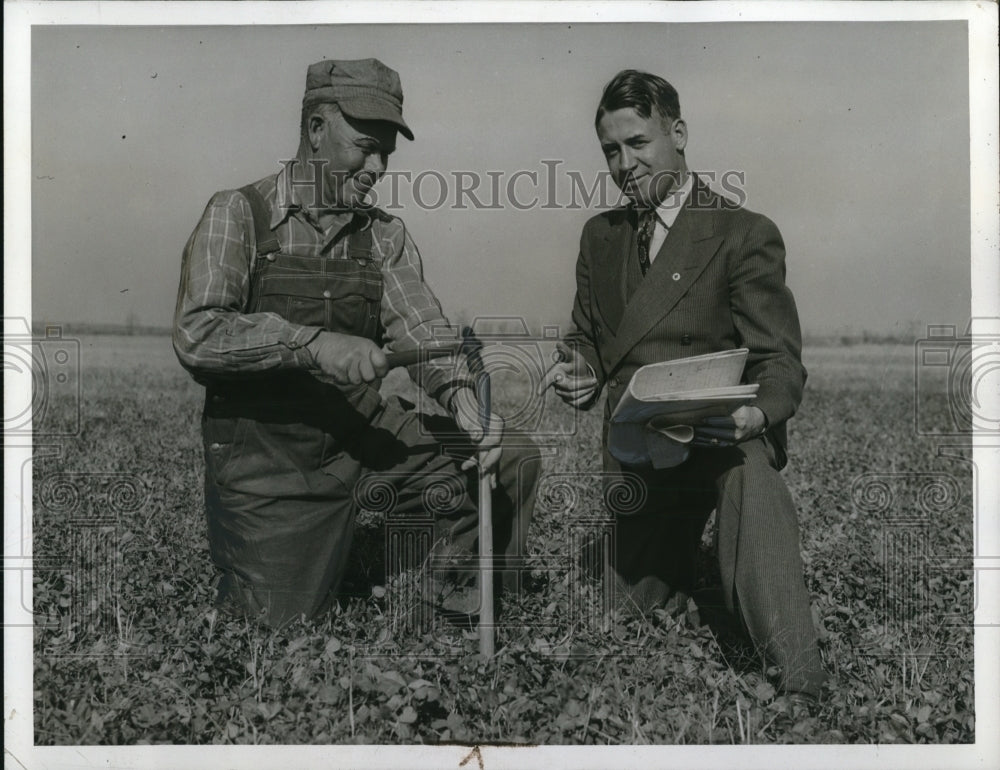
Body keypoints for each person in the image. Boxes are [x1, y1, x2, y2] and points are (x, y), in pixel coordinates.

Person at [173, 58, 539, 628]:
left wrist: (461, 398)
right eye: (365, 147)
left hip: (360, 432)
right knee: (274, 631)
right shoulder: (237, 214)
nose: (377, 167)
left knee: (507, 455)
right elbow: (199, 334)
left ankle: (461, 608)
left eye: (386, 153)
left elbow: (420, 330)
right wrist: (312, 344)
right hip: (269, 456)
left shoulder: (384, 235)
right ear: (317, 131)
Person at [539, 69, 827, 698]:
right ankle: (697, 588)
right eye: (611, 150)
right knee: (623, 624)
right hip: (639, 456)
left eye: (638, 143)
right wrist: (579, 370)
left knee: (755, 488)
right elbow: (587, 335)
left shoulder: (742, 233)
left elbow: (781, 362)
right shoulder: (600, 236)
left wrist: (757, 417)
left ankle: (803, 687)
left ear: (678, 133)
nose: (625, 164)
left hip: (724, 440)